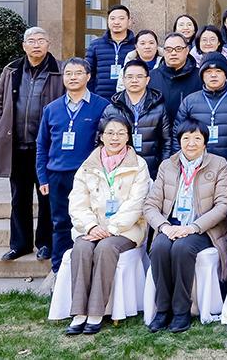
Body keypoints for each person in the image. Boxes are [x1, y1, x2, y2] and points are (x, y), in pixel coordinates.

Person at [63, 116, 151, 335]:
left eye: (121, 133)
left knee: (105, 247)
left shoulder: (139, 165)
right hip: (92, 228)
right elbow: (77, 201)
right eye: (110, 133)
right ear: (101, 136)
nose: (115, 138)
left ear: (129, 137)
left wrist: (111, 229)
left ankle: (96, 312)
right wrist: (91, 227)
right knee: (81, 248)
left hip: (126, 229)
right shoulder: (88, 165)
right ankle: (79, 312)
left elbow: (136, 204)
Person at [144, 119, 227, 333]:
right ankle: (163, 309)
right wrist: (164, 227)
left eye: (197, 138)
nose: (191, 143)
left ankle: (181, 310)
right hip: (172, 225)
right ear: (179, 141)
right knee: (159, 247)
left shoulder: (218, 164)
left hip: (203, 228)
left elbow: (222, 206)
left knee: (182, 248)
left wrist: (193, 227)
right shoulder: (167, 165)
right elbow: (150, 205)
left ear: (205, 142)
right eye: (186, 138)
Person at [0, 26, 62, 262]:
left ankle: (45, 243)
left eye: (41, 40)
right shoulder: (11, 70)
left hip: (45, 148)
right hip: (16, 146)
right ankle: (20, 244)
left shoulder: (59, 71)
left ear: (48, 44)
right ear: (24, 45)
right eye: (31, 41)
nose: (36, 44)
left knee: (46, 198)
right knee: (19, 197)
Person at [36, 58, 111, 273]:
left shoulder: (102, 106)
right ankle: (59, 270)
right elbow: (42, 144)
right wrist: (42, 176)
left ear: (88, 76)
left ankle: (86, 269)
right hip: (57, 175)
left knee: (90, 221)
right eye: (68, 73)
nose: (73, 77)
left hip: (88, 174)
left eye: (78, 73)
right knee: (60, 223)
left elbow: (107, 142)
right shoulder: (52, 109)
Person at [174, 52, 227, 180]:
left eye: (218, 71)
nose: (213, 75)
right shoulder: (190, 101)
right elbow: (177, 136)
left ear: (226, 75)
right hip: (195, 170)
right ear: (202, 76)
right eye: (208, 72)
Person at [101, 59, 169, 178]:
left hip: (151, 169)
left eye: (139, 76)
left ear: (147, 80)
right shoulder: (111, 109)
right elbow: (101, 141)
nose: (134, 80)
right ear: (123, 80)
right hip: (118, 171)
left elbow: (167, 142)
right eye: (129, 77)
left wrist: (162, 170)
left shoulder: (159, 108)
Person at [149, 32, 203, 131]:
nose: (173, 53)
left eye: (178, 49)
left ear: (187, 50)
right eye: (168, 49)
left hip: (190, 134)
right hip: (159, 134)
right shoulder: (151, 77)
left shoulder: (200, 76)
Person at [85, 4, 135, 100]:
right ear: (107, 21)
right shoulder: (95, 45)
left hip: (129, 99)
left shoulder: (136, 45)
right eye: (112, 18)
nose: (116, 22)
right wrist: (92, 96)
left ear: (129, 21)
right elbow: (88, 72)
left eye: (121, 18)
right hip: (101, 99)